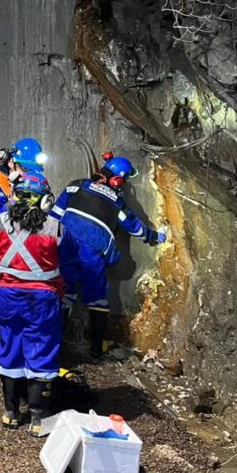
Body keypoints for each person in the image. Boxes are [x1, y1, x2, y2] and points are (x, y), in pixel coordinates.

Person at [50, 152, 166, 357]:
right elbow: (135, 228)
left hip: (64, 244)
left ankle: (54, 346)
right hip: (93, 251)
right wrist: (156, 236)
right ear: (117, 179)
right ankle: (96, 347)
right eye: (123, 181)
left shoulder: (75, 185)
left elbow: (54, 215)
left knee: (64, 293)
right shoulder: (117, 203)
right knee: (97, 298)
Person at [0, 170, 64, 436]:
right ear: (45, 201)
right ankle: (38, 418)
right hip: (42, 299)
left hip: (6, 296)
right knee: (41, 349)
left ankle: (10, 412)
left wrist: (0, 273)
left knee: (10, 346)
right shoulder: (56, 228)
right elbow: (72, 261)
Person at [0, 138, 48, 290]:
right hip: (3, 256)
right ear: (11, 162)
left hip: (32, 252)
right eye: (26, 169)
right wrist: (13, 204)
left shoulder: (34, 180)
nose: (30, 174)